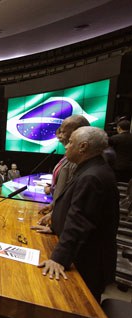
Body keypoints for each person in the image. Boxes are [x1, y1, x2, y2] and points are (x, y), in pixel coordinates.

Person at [31, 127, 119, 302]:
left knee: (78, 306)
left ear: (83, 147)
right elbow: (75, 208)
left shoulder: (92, 176)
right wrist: (56, 225)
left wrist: (58, 259)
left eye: (71, 142)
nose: (66, 146)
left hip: (88, 261)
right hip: (84, 254)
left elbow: (81, 221)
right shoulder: (91, 168)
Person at [37, 115, 90, 226]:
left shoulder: (78, 160)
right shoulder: (69, 156)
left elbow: (70, 196)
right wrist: (53, 206)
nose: (59, 136)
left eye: (63, 132)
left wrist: (54, 215)